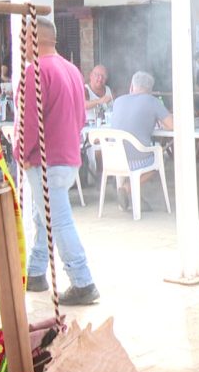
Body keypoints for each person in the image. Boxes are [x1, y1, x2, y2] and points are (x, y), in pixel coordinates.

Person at [16, 18, 99, 306]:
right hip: (68, 156)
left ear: (33, 40)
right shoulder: (73, 70)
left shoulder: (35, 71)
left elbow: (27, 122)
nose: (21, 46)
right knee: (45, 216)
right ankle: (37, 272)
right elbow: (81, 117)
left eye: (23, 39)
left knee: (57, 221)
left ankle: (82, 281)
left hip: (45, 160)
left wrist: (20, 154)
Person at [109, 71, 173, 212]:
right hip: (135, 160)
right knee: (161, 158)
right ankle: (127, 188)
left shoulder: (118, 101)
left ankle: (133, 197)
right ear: (150, 90)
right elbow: (172, 125)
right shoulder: (152, 101)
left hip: (113, 159)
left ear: (131, 86)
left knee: (144, 154)